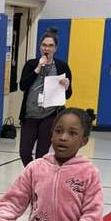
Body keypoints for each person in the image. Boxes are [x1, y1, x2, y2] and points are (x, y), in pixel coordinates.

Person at [17, 28, 73, 167]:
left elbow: (68, 94)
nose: (47, 48)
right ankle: (33, 174)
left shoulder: (62, 66)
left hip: (49, 115)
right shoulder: (31, 64)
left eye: (50, 45)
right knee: (24, 151)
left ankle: (38, 180)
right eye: (44, 45)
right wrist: (37, 69)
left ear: (55, 48)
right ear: (40, 47)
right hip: (30, 115)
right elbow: (23, 86)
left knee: (42, 154)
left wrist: (66, 87)